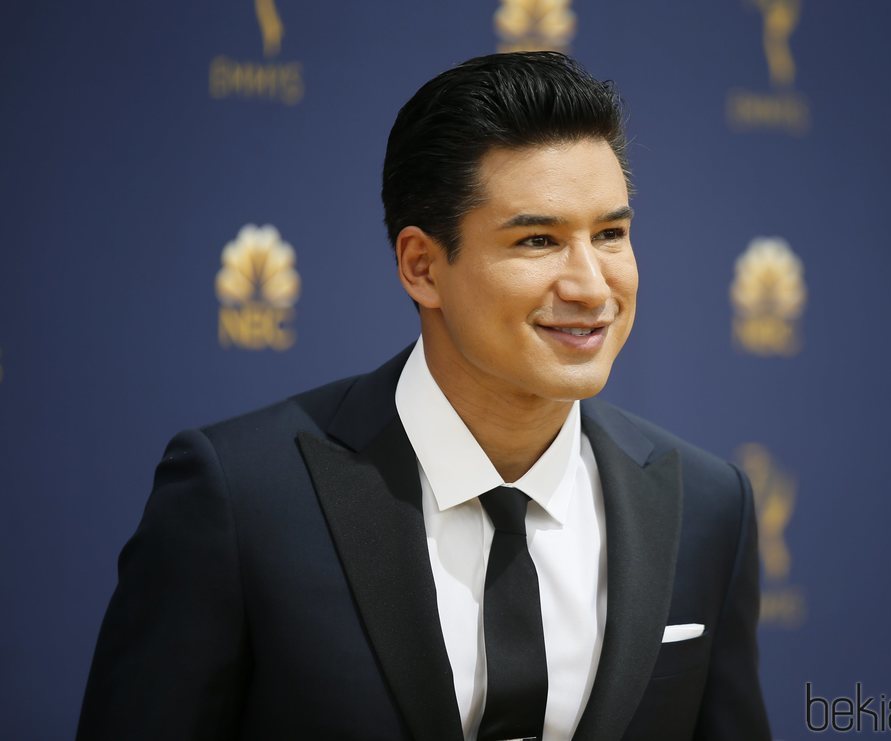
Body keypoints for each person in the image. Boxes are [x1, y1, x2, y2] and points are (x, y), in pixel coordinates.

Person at [77, 52, 771, 740]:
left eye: (611, 234)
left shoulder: (708, 505)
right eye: (538, 239)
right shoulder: (241, 498)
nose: (592, 286)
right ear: (422, 267)